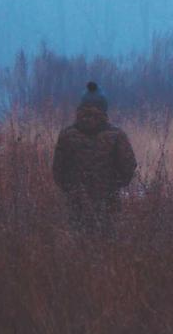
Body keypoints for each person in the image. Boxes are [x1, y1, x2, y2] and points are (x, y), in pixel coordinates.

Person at [52, 81, 137, 235]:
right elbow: (129, 168)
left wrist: (72, 190)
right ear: (104, 108)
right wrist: (113, 187)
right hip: (108, 204)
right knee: (107, 250)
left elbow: (57, 171)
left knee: (77, 249)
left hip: (76, 205)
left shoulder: (66, 135)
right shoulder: (116, 136)